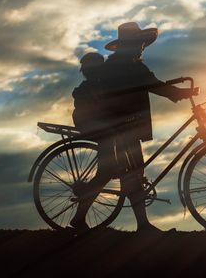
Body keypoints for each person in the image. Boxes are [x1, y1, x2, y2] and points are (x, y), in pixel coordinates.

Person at [70, 22, 195, 233]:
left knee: (132, 172)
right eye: (139, 43)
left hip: (124, 126)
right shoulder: (128, 65)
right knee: (115, 171)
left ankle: (140, 224)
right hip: (117, 127)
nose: (142, 47)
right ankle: (86, 218)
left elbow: (151, 83)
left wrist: (177, 92)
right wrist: (180, 93)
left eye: (143, 44)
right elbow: (153, 84)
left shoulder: (122, 63)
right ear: (130, 45)